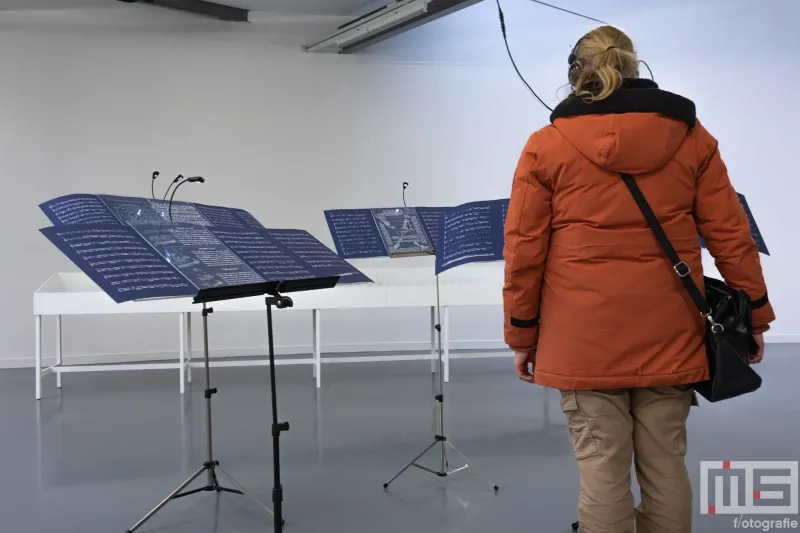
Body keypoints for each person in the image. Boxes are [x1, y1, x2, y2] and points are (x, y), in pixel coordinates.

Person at [502, 25, 775, 533]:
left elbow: (523, 250)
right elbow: (731, 234)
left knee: (602, 469)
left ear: (576, 73)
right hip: (670, 329)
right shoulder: (692, 137)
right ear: (633, 66)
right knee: (665, 465)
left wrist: (522, 332)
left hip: (580, 337)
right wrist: (755, 315)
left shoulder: (546, 145)